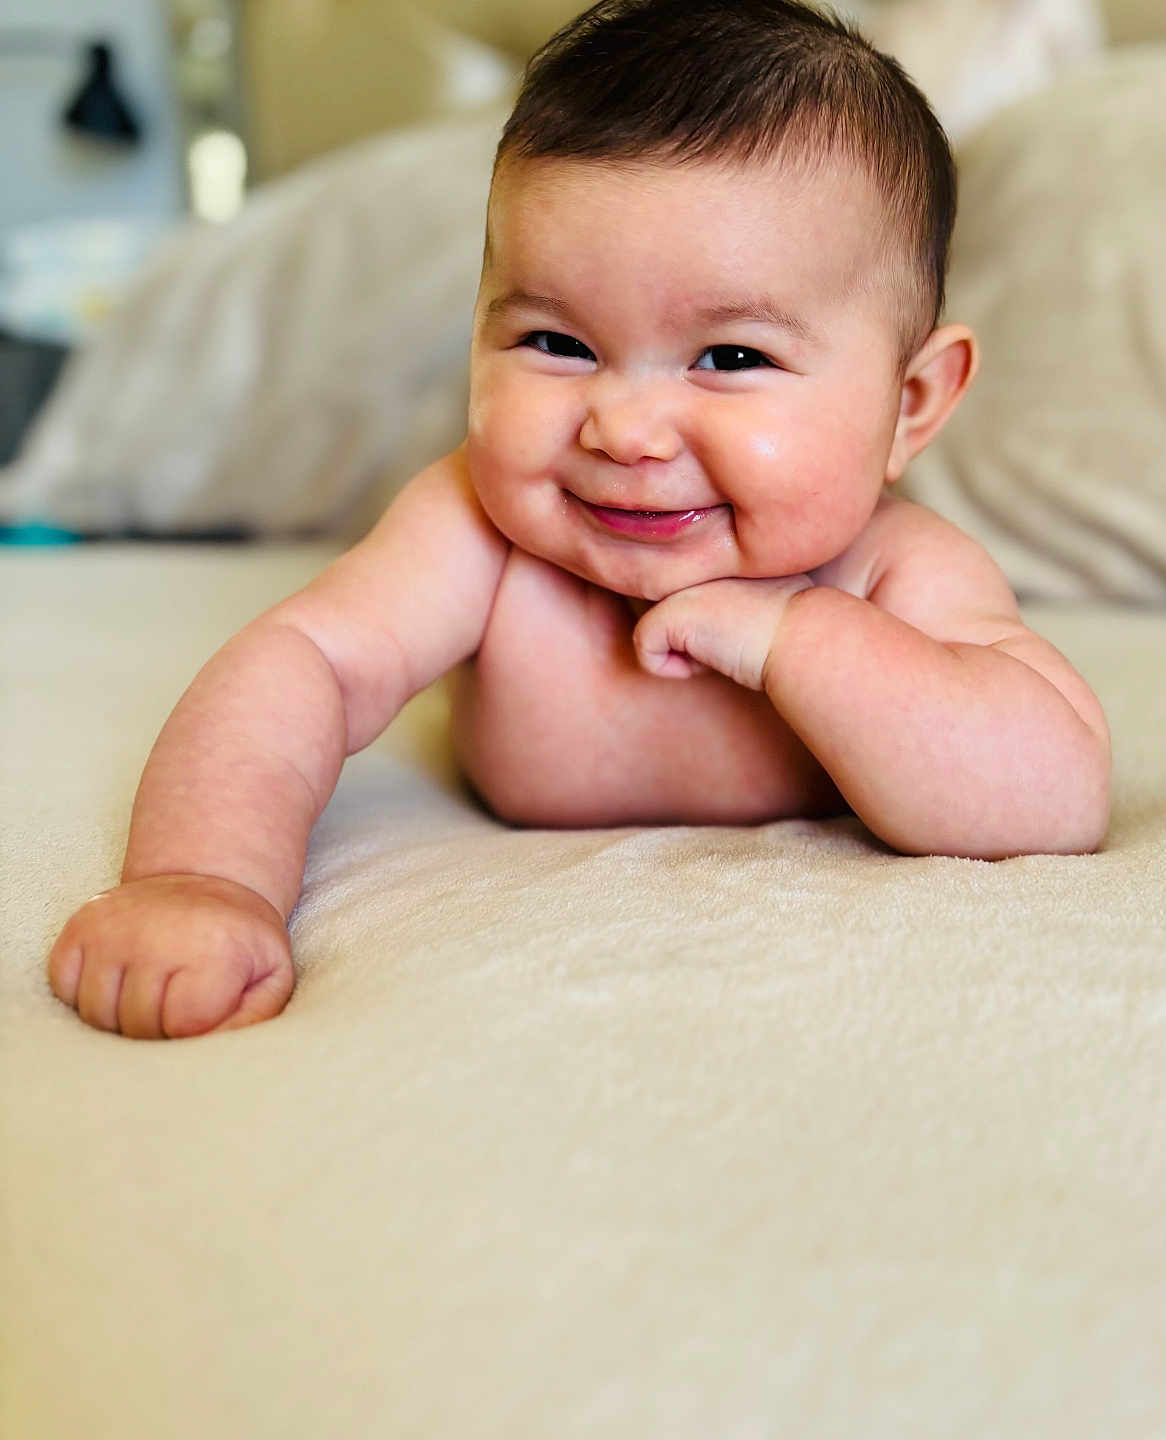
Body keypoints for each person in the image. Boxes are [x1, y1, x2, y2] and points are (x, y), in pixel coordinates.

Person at [47, 0, 1111, 1040]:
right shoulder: (478, 529)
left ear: (908, 405)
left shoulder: (892, 573)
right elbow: (303, 664)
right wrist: (202, 875)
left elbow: (1053, 797)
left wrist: (803, 639)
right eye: (557, 343)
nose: (628, 428)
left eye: (731, 357)